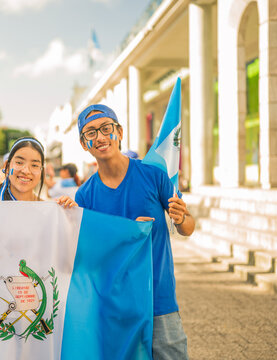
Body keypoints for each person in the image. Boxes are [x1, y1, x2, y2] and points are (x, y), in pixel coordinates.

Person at [74, 104, 195, 360]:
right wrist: (128, 234)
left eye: (106, 128)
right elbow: (91, 256)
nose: (100, 137)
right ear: (84, 144)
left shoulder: (154, 175)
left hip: (159, 300)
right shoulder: (85, 195)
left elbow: (187, 228)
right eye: (91, 133)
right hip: (115, 304)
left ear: (119, 131)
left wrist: (182, 217)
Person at [0, 137, 75, 214]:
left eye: (34, 165)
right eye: (19, 162)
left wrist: (71, 215)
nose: (26, 171)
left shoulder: (50, 211)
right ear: (7, 166)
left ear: (41, 171)